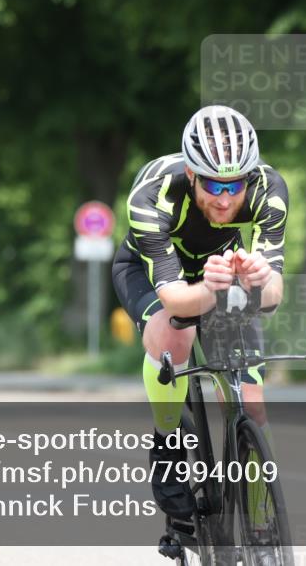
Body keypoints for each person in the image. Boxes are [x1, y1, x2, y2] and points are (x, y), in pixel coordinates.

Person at [111, 104, 289, 520]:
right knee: (178, 335)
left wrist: (259, 281)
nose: (225, 200)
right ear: (191, 174)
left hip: (219, 267)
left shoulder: (269, 188)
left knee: (253, 401)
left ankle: (262, 524)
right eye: (212, 185)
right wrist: (212, 288)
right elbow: (175, 301)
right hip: (152, 272)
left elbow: (274, 294)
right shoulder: (152, 196)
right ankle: (167, 443)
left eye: (235, 186)